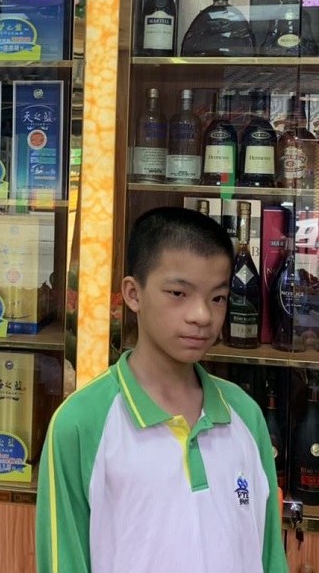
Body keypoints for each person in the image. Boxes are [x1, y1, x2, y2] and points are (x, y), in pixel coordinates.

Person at [36, 206, 288, 573]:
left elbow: (269, 555)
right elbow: (64, 560)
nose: (202, 315)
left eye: (217, 297)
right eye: (178, 293)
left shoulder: (244, 413)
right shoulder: (80, 423)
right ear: (133, 294)